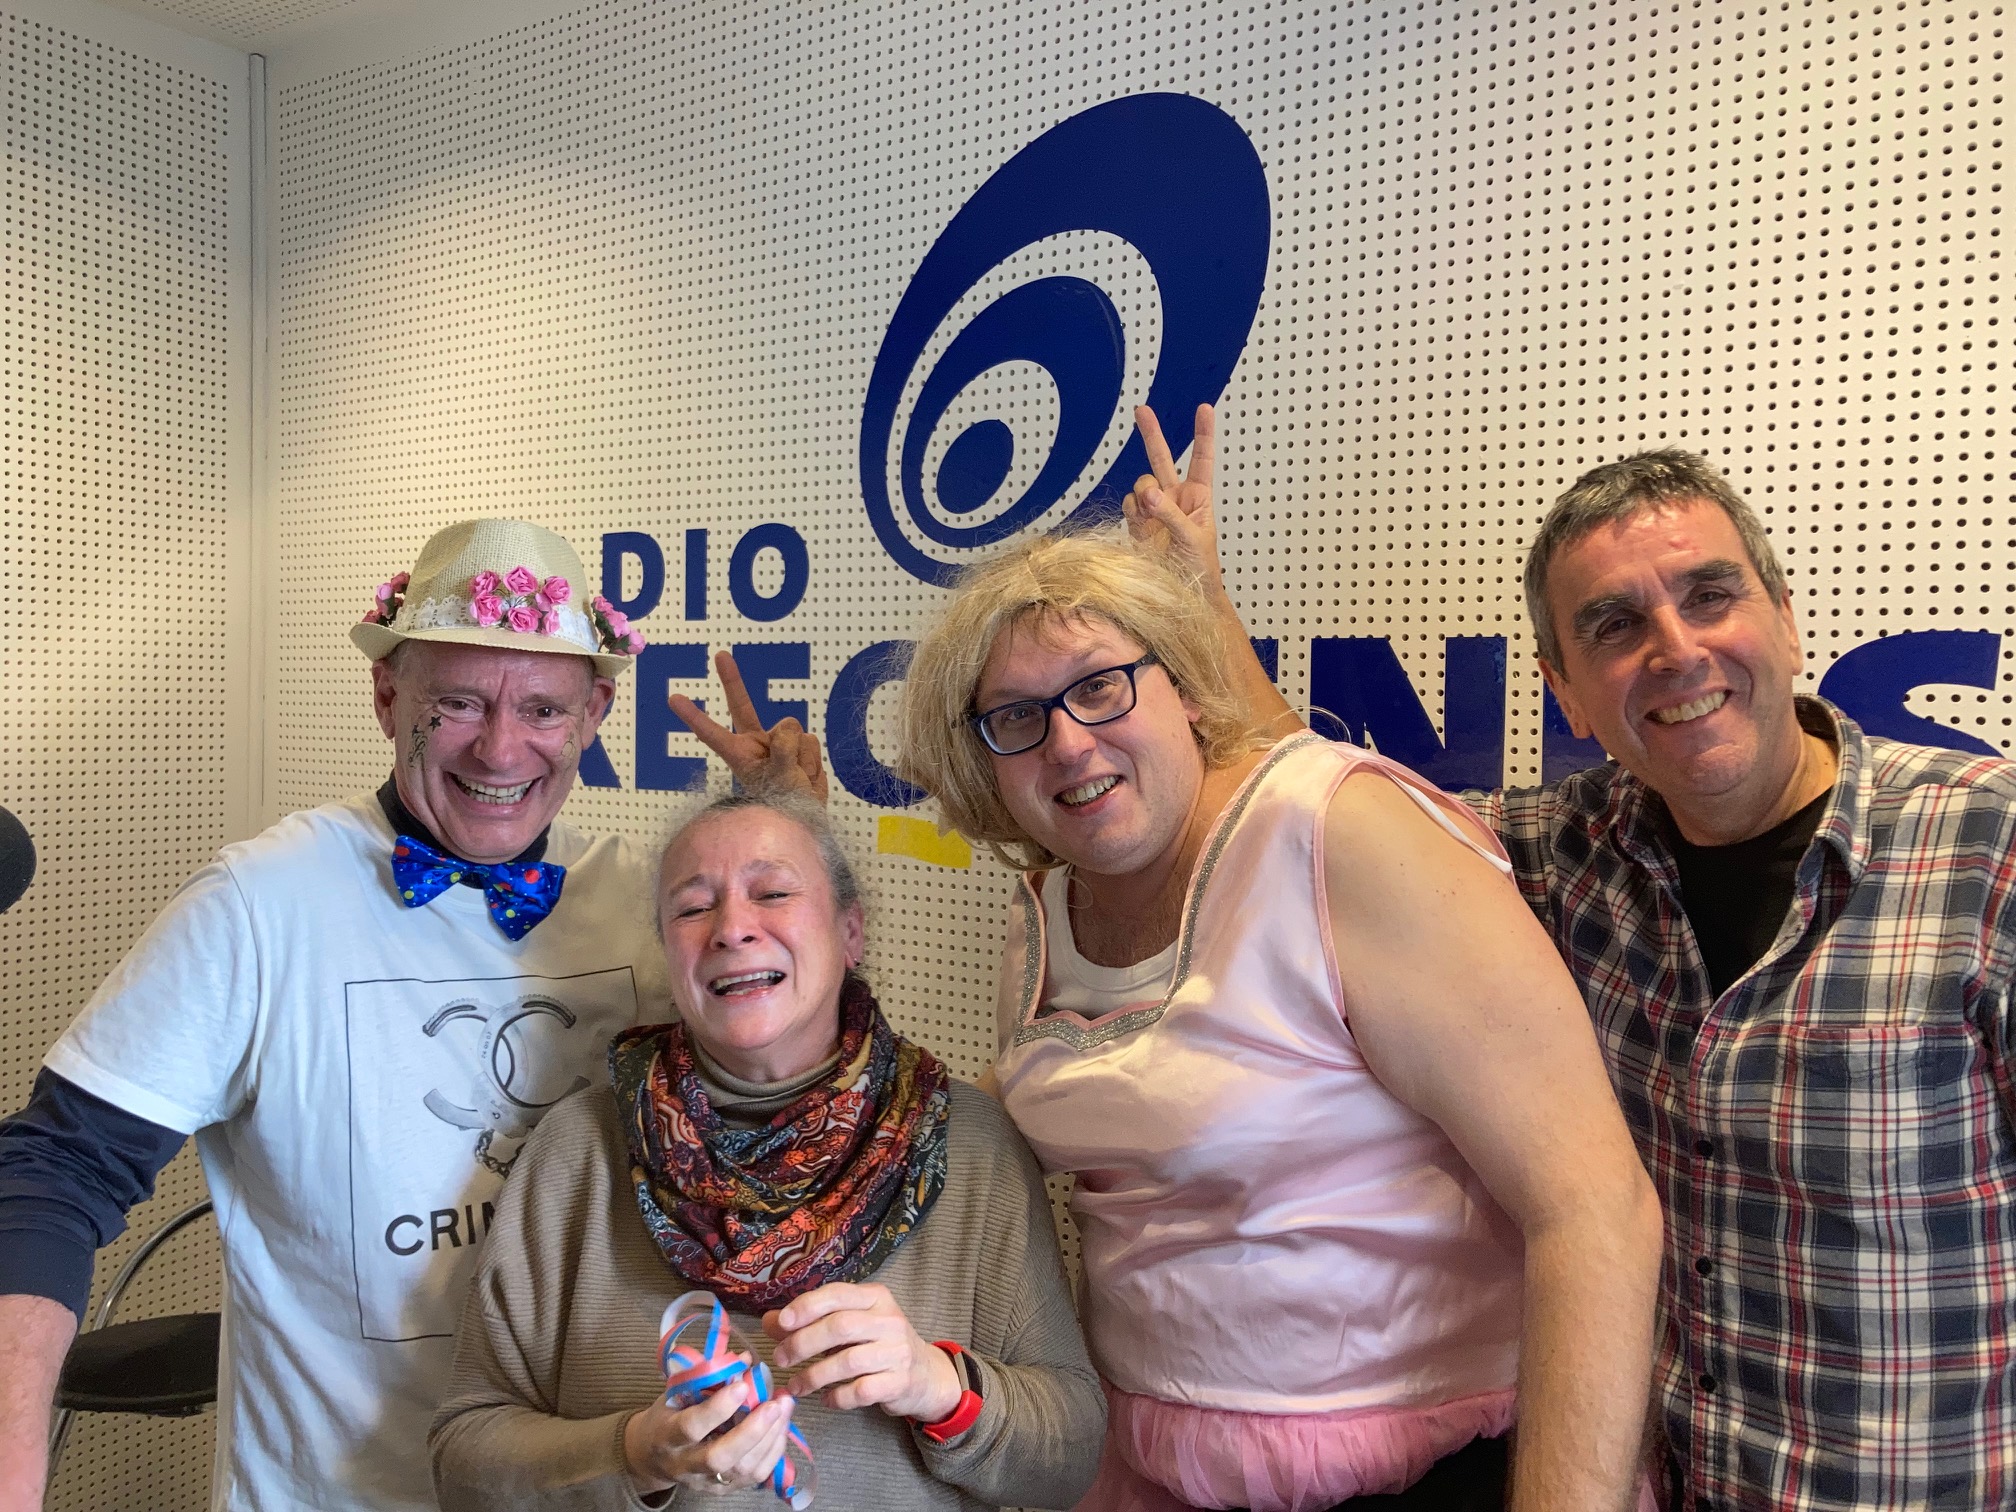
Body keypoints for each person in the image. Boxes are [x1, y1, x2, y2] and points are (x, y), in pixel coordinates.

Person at [1140, 419, 2016, 1507]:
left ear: (1787, 619)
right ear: (1565, 690)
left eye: (1709, 595)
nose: (1675, 650)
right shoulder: (1558, 852)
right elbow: (1318, 801)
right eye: (1614, 625)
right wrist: (1198, 598)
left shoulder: (1988, 844)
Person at [0, 519, 679, 1511]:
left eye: (543, 708)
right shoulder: (261, 905)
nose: (501, 748)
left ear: (594, 715)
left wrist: (782, 833)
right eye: (457, 702)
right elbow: (57, 1172)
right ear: (387, 696)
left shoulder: (650, 908)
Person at [429, 788, 1104, 1511]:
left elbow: (1070, 1457)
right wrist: (634, 1454)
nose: (731, 929)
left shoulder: (968, 1145)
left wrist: (939, 1386)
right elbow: (465, 1465)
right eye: (693, 907)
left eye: (773, 893)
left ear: (850, 932)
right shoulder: (578, 1152)